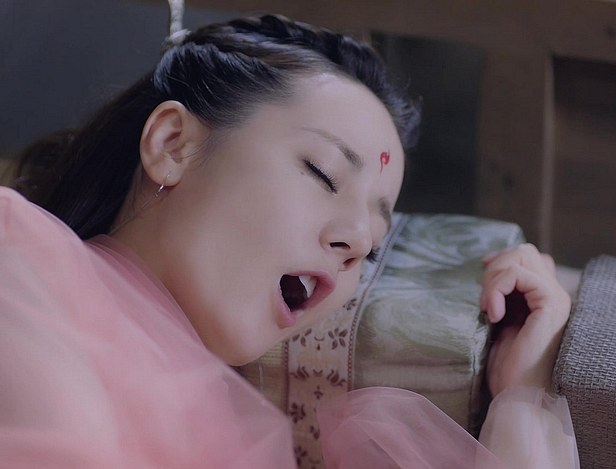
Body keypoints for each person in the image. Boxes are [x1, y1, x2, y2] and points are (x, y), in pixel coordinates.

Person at [1, 9, 578, 469]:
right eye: (323, 173)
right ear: (173, 145)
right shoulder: (20, 264)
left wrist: (523, 391)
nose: (357, 241)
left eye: (375, 243)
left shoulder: (242, 438)